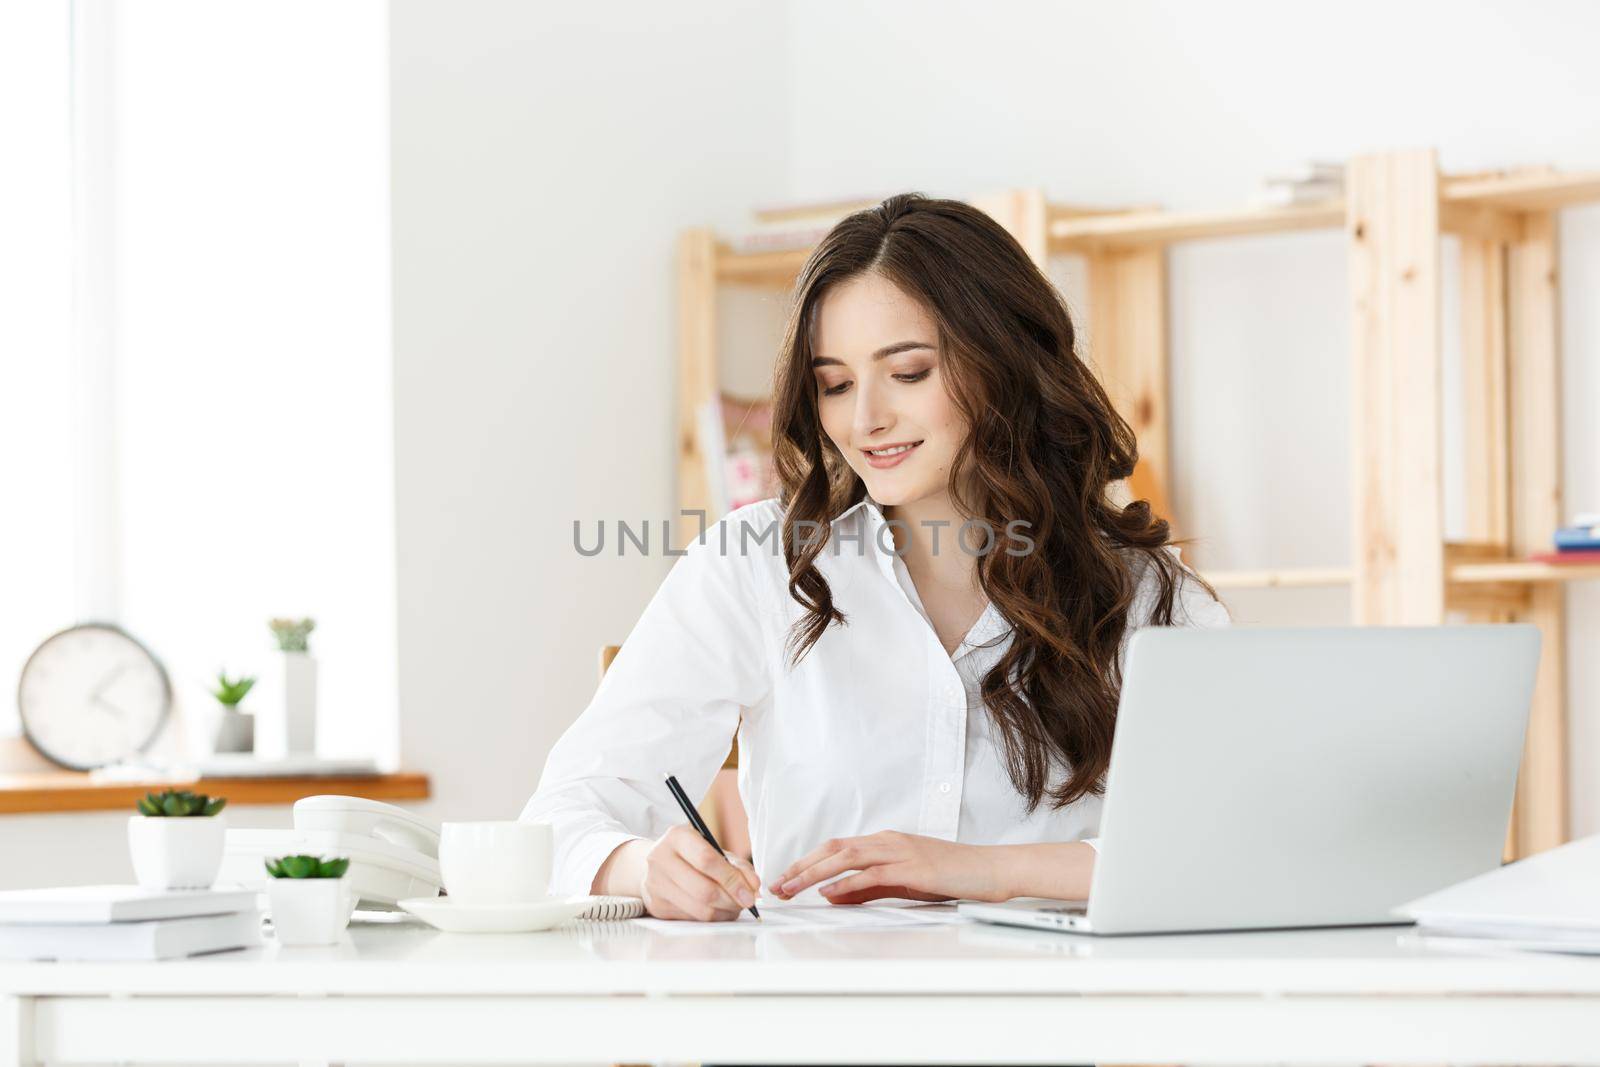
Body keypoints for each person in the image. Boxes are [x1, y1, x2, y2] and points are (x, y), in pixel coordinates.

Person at [521, 192, 1228, 920]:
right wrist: (641, 868)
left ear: (1004, 362)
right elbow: (560, 818)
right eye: (835, 384)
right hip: (821, 1017)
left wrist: (983, 871)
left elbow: (1229, 842)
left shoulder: (1142, 593)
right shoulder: (757, 564)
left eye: (909, 372)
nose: (864, 420)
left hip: (1058, 1016)